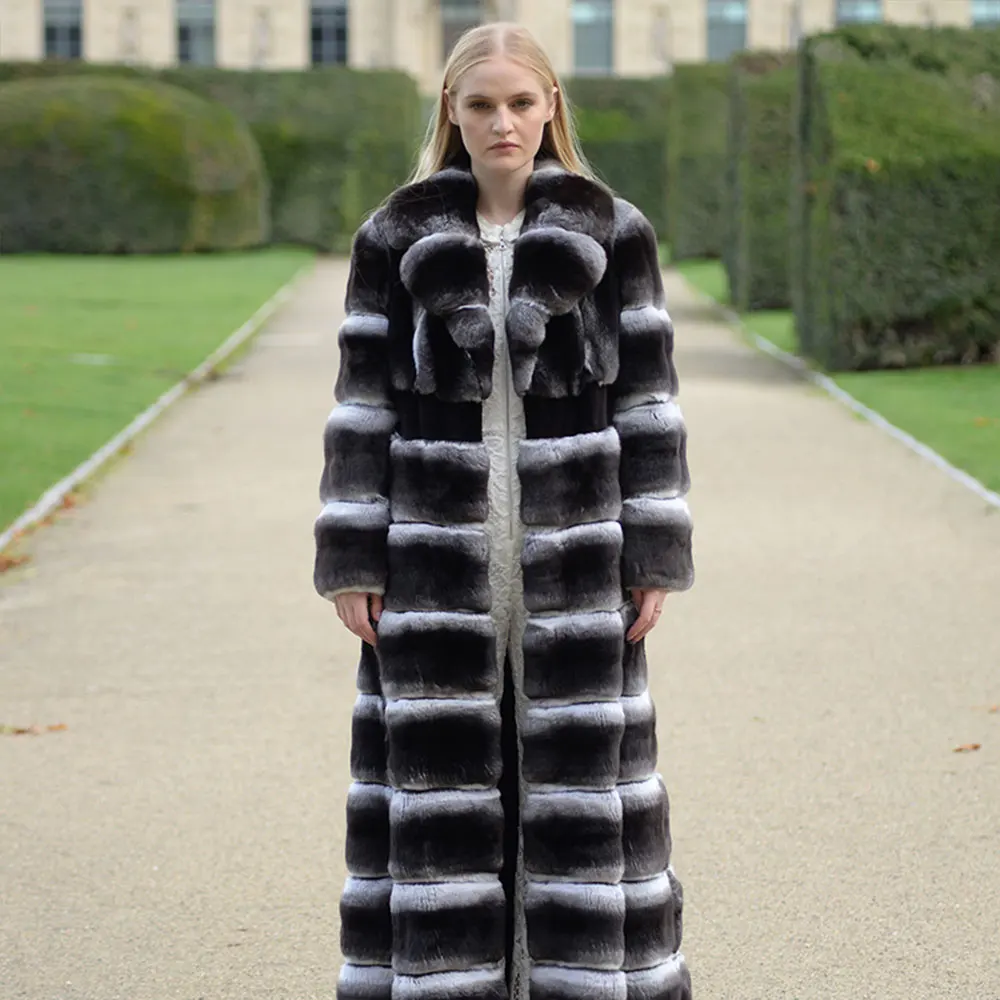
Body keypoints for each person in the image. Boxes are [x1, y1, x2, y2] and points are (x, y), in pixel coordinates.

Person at [313, 21, 695, 1000]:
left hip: (576, 551)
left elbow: (650, 404)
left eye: (521, 102)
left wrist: (654, 549)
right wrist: (353, 555)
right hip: (436, 553)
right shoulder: (393, 238)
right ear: (450, 109)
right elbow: (361, 408)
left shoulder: (614, 234)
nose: (502, 123)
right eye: (481, 104)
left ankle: (579, 978)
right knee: (439, 786)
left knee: (579, 786)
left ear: (551, 106)